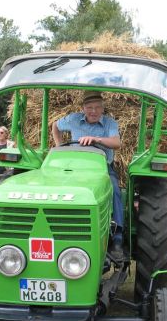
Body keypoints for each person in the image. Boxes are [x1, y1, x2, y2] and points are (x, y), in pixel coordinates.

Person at [52, 92, 124, 259]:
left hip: (102, 168)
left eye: (97, 107)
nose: (93, 111)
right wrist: (59, 146)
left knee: (114, 189)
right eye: (90, 107)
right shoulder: (74, 119)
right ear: (83, 108)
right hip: (75, 167)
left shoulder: (109, 123)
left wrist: (96, 139)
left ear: (102, 108)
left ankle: (118, 237)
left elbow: (116, 143)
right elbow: (55, 126)